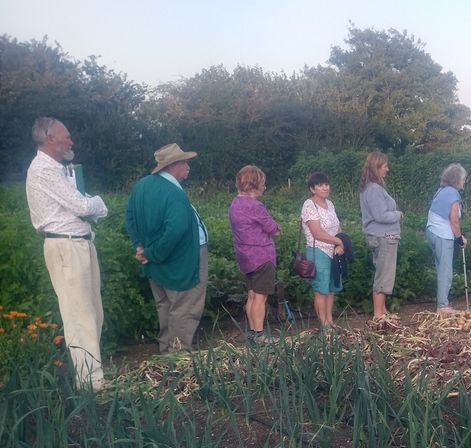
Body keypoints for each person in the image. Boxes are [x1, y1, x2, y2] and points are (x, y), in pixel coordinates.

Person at [25, 117, 109, 390]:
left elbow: (80, 206)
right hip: (66, 246)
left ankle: (94, 378)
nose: (71, 141)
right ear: (50, 139)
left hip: (79, 243)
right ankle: (91, 385)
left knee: (93, 313)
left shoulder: (59, 169)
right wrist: (96, 202)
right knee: (79, 316)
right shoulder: (43, 170)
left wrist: (89, 205)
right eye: (66, 136)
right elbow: (81, 205)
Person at [126, 143, 208, 353]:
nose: (188, 167)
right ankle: (178, 362)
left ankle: (165, 353)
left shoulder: (142, 186)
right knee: (185, 307)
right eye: (184, 162)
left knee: (165, 305)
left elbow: (131, 218)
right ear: (172, 165)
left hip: (156, 261)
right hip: (182, 260)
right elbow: (176, 230)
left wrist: (141, 247)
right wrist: (152, 253)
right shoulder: (174, 193)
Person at [228, 165, 280, 345]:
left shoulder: (235, 203)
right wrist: (275, 228)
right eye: (263, 184)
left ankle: (251, 333)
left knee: (251, 295)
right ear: (255, 184)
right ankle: (259, 335)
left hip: (245, 257)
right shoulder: (255, 206)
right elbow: (273, 228)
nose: (264, 188)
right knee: (260, 298)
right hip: (262, 256)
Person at [359, 152, 403, 322]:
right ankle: (378, 314)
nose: (387, 169)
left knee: (384, 272)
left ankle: (383, 310)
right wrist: (397, 214)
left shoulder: (370, 187)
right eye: (385, 166)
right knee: (383, 274)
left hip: (381, 236)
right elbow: (380, 215)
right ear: (377, 167)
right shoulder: (374, 189)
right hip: (383, 236)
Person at [301, 172, 347, 328]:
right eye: (320, 185)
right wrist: (339, 241)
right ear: (312, 189)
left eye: (326, 184)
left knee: (331, 289)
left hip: (334, 251)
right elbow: (317, 233)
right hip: (318, 251)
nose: (325, 187)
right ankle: (324, 326)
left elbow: (337, 227)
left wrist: (340, 245)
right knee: (321, 290)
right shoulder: (309, 205)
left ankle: (330, 321)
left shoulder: (330, 204)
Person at [425, 163, 468, 314]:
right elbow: (454, 220)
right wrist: (459, 239)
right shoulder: (453, 194)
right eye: (463, 179)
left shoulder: (441, 191)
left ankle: (442, 301)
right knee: (445, 270)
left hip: (432, 232)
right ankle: (442, 306)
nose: (464, 181)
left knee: (440, 268)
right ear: (457, 179)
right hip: (442, 234)